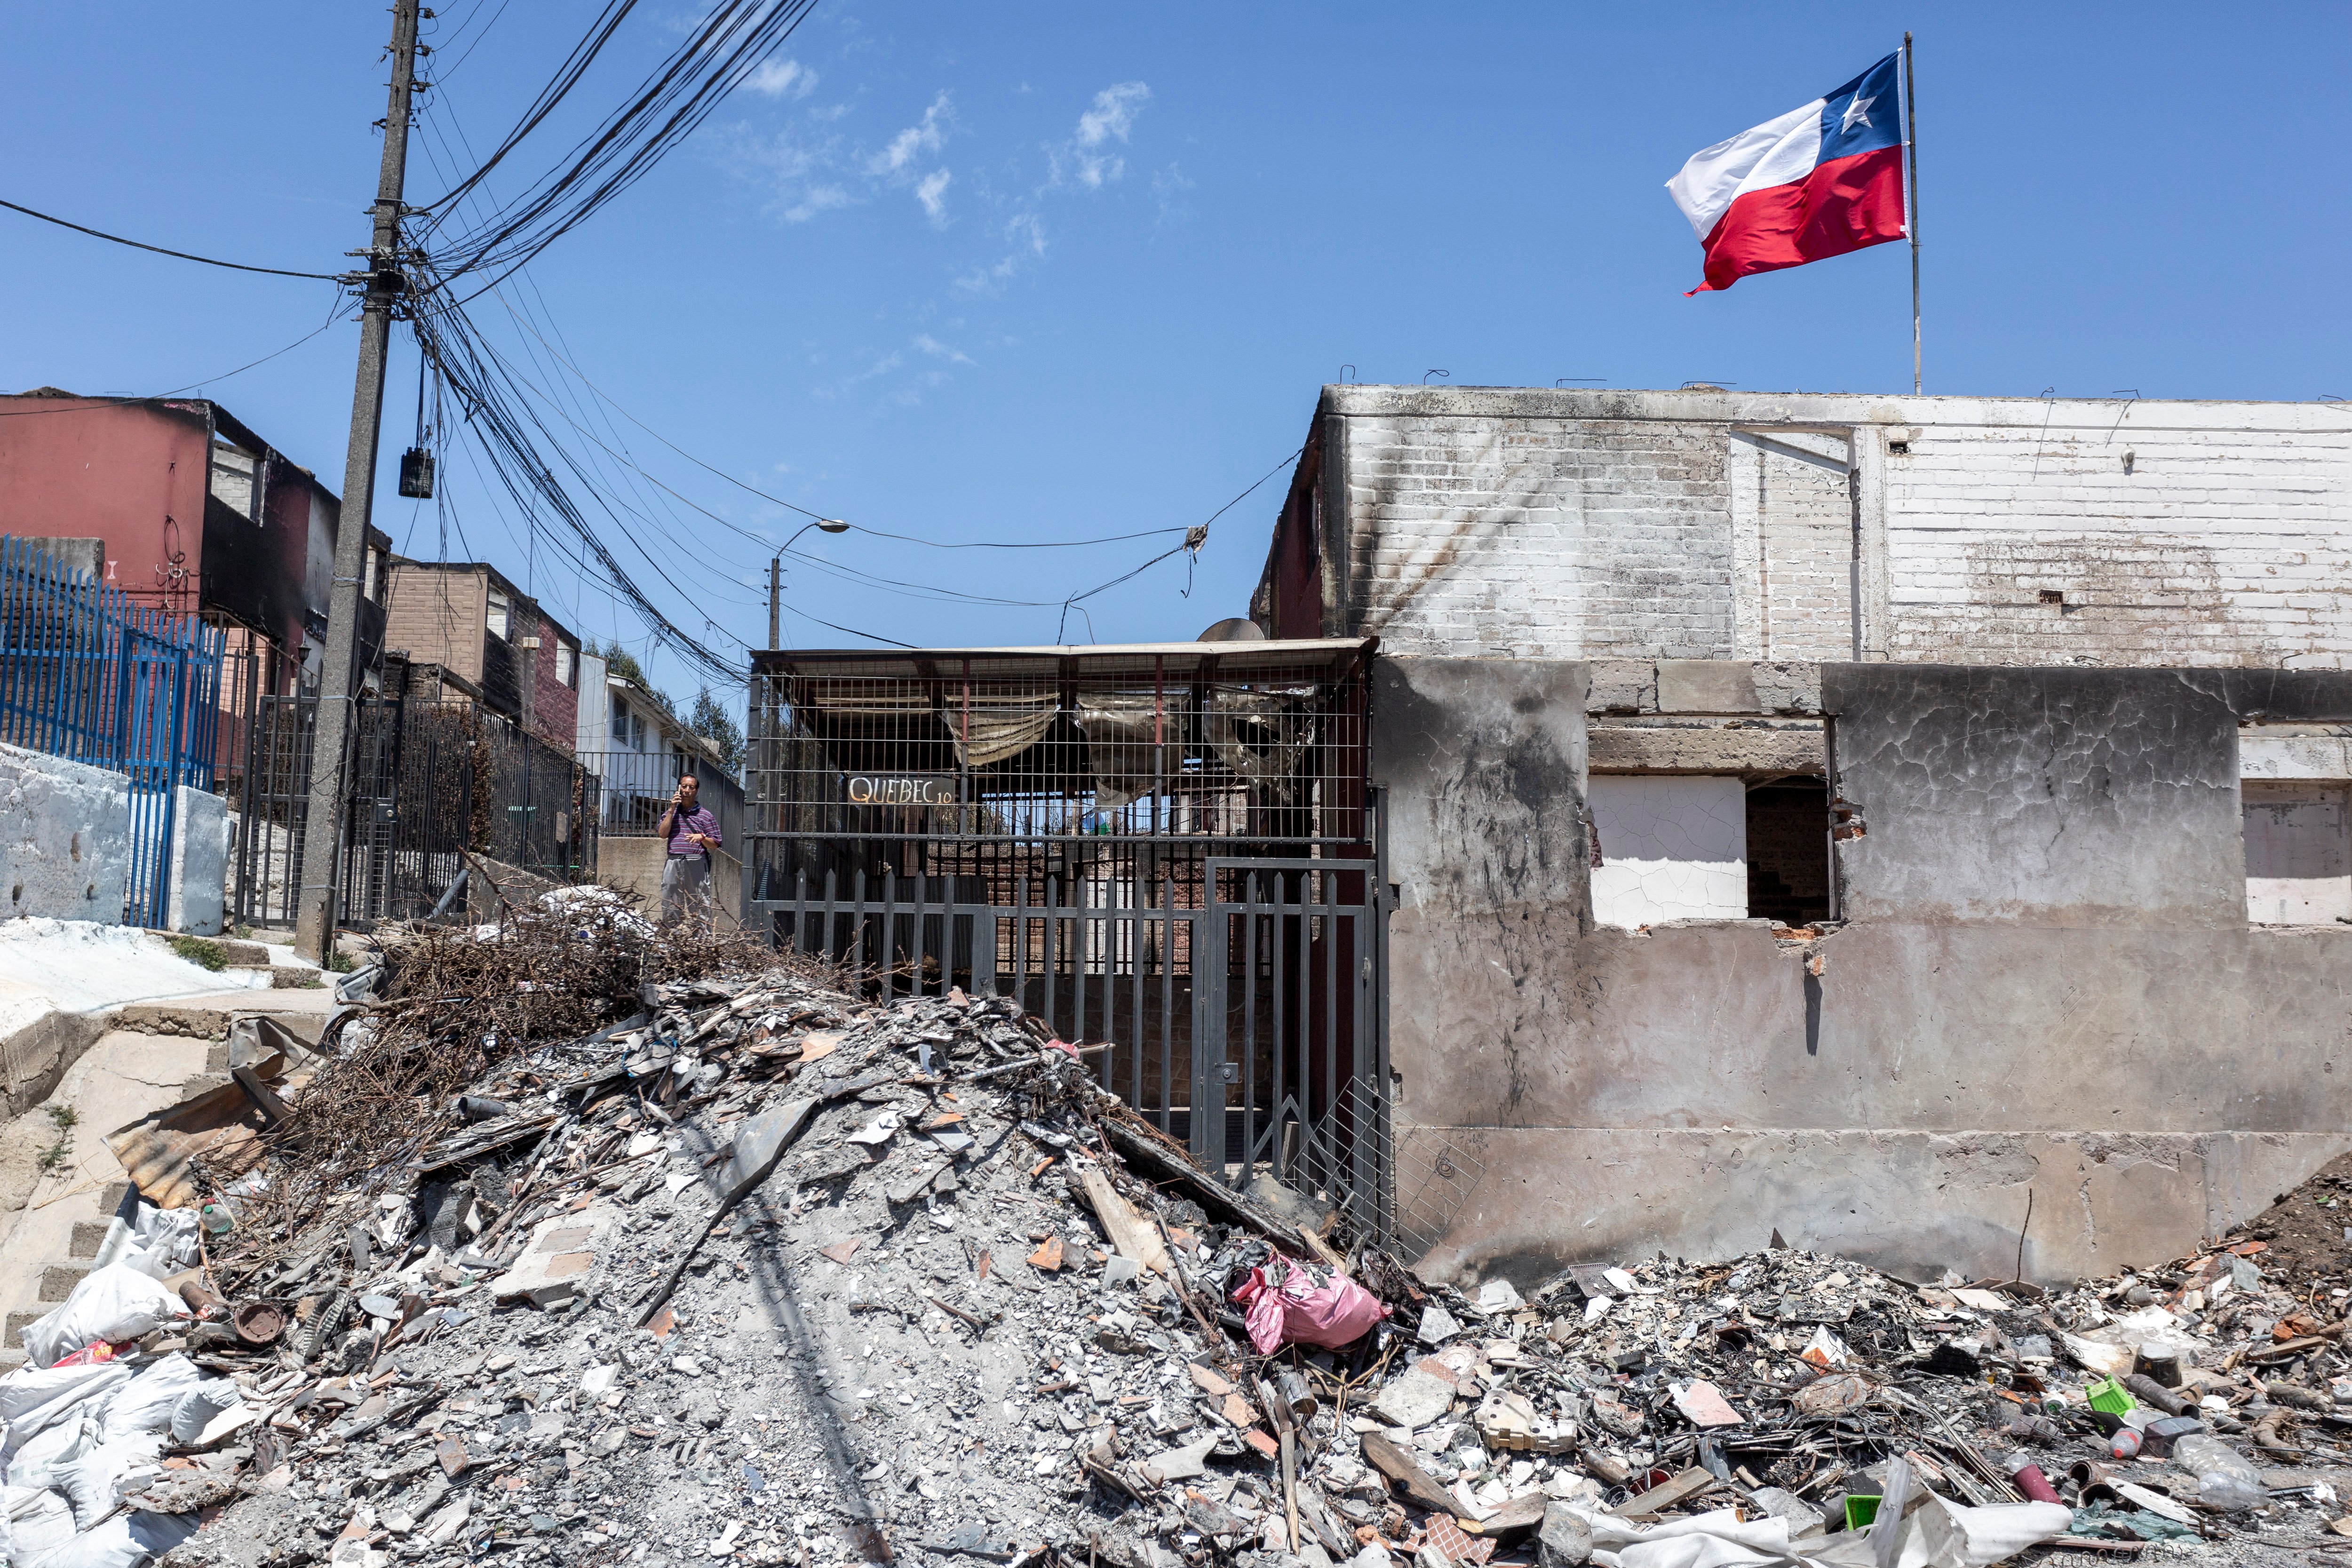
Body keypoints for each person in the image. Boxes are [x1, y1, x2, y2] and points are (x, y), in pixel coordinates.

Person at [657, 773, 723, 925]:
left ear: (696, 791)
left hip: (696, 862)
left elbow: (716, 843)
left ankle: (701, 943)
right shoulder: (670, 814)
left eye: (691, 787)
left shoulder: (706, 816)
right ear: (678, 788)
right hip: (673, 862)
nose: (687, 790)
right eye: (684, 786)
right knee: (671, 904)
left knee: (700, 905)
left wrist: (701, 837)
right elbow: (662, 834)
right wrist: (672, 808)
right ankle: (672, 941)